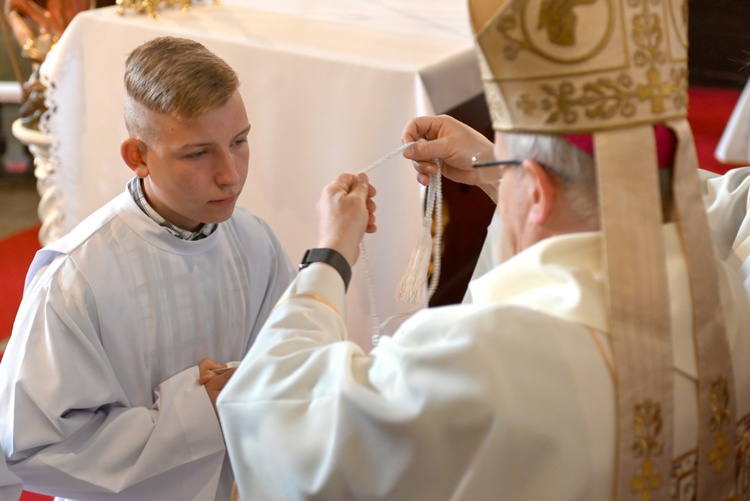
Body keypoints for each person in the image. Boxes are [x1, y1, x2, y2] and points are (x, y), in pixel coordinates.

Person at [216, 0, 750, 499]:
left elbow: (278, 418)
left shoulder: (482, 362)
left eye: (508, 172)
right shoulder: (726, 291)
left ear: (537, 191)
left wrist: (330, 254)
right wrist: (495, 164)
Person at [0, 36, 295, 500]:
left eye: (239, 141)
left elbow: (293, 362)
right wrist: (201, 411)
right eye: (198, 153)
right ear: (138, 157)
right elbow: (32, 449)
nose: (231, 174)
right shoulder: (77, 278)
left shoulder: (254, 240)